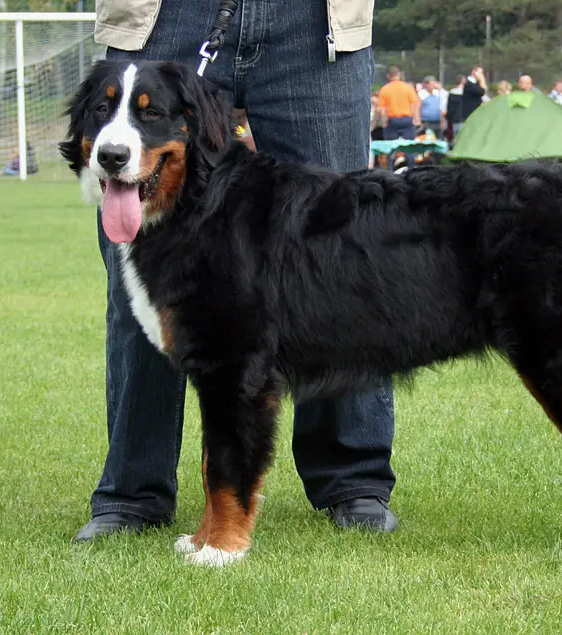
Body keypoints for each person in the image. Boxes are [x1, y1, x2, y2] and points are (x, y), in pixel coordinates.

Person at [73, 0, 398, 542]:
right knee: (145, 283)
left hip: (315, 18)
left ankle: (352, 480)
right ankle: (133, 493)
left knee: (341, 251)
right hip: (166, 13)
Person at [377, 65, 420, 142]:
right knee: (409, 146)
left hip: (392, 120)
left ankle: (392, 154)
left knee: (391, 146)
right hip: (407, 119)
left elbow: (382, 109)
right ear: (399, 75)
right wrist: (416, 119)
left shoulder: (384, 89)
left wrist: (384, 121)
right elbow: (414, 104)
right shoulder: (407, 87)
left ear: (388, 76)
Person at [446, 75, 467, 140]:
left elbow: (449, 109)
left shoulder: (451, 93)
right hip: (465, 120)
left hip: (455, 120)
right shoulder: (467, 94)